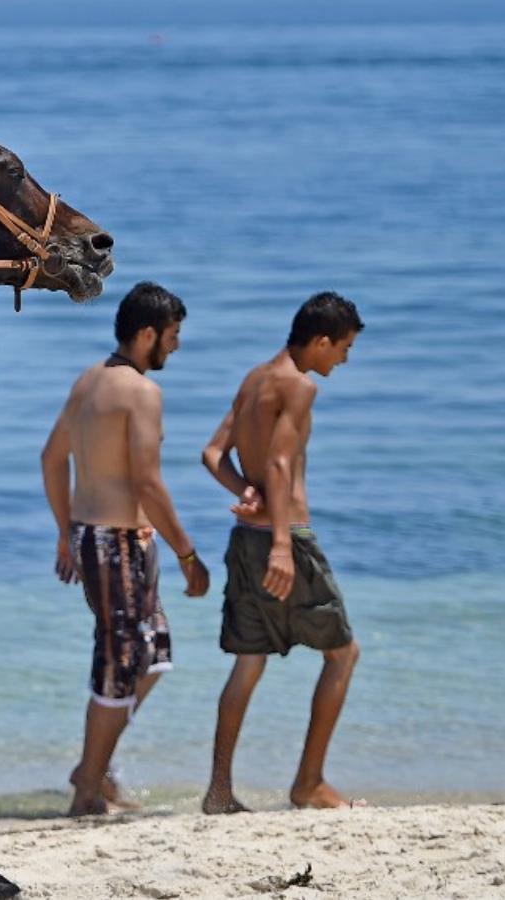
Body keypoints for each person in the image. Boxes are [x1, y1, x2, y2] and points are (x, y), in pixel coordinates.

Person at [41, 282, 210, 817]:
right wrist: (188, 553)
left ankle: (94, 766)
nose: (176, 347)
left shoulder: (88, 381)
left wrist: (67, 532)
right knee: (118, 665)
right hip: (116, 544)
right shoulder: (141, 392)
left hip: (100, 538)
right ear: (147, 334)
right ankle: (88, 789)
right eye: (173, 335)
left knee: (152, 655)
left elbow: (51, 458)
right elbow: (147, 484)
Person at [198, 292, 365, 813]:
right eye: (343, 348)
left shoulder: (254, 378)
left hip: (245, 541)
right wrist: (281, 547)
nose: (343, 359)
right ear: (320, 341)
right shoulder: (299, 386)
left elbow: (212, 454)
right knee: (343, 655)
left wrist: (240, 493)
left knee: (249, 662)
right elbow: (277, 465)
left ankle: (220, 792)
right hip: (284, 539)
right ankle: (309, 783)